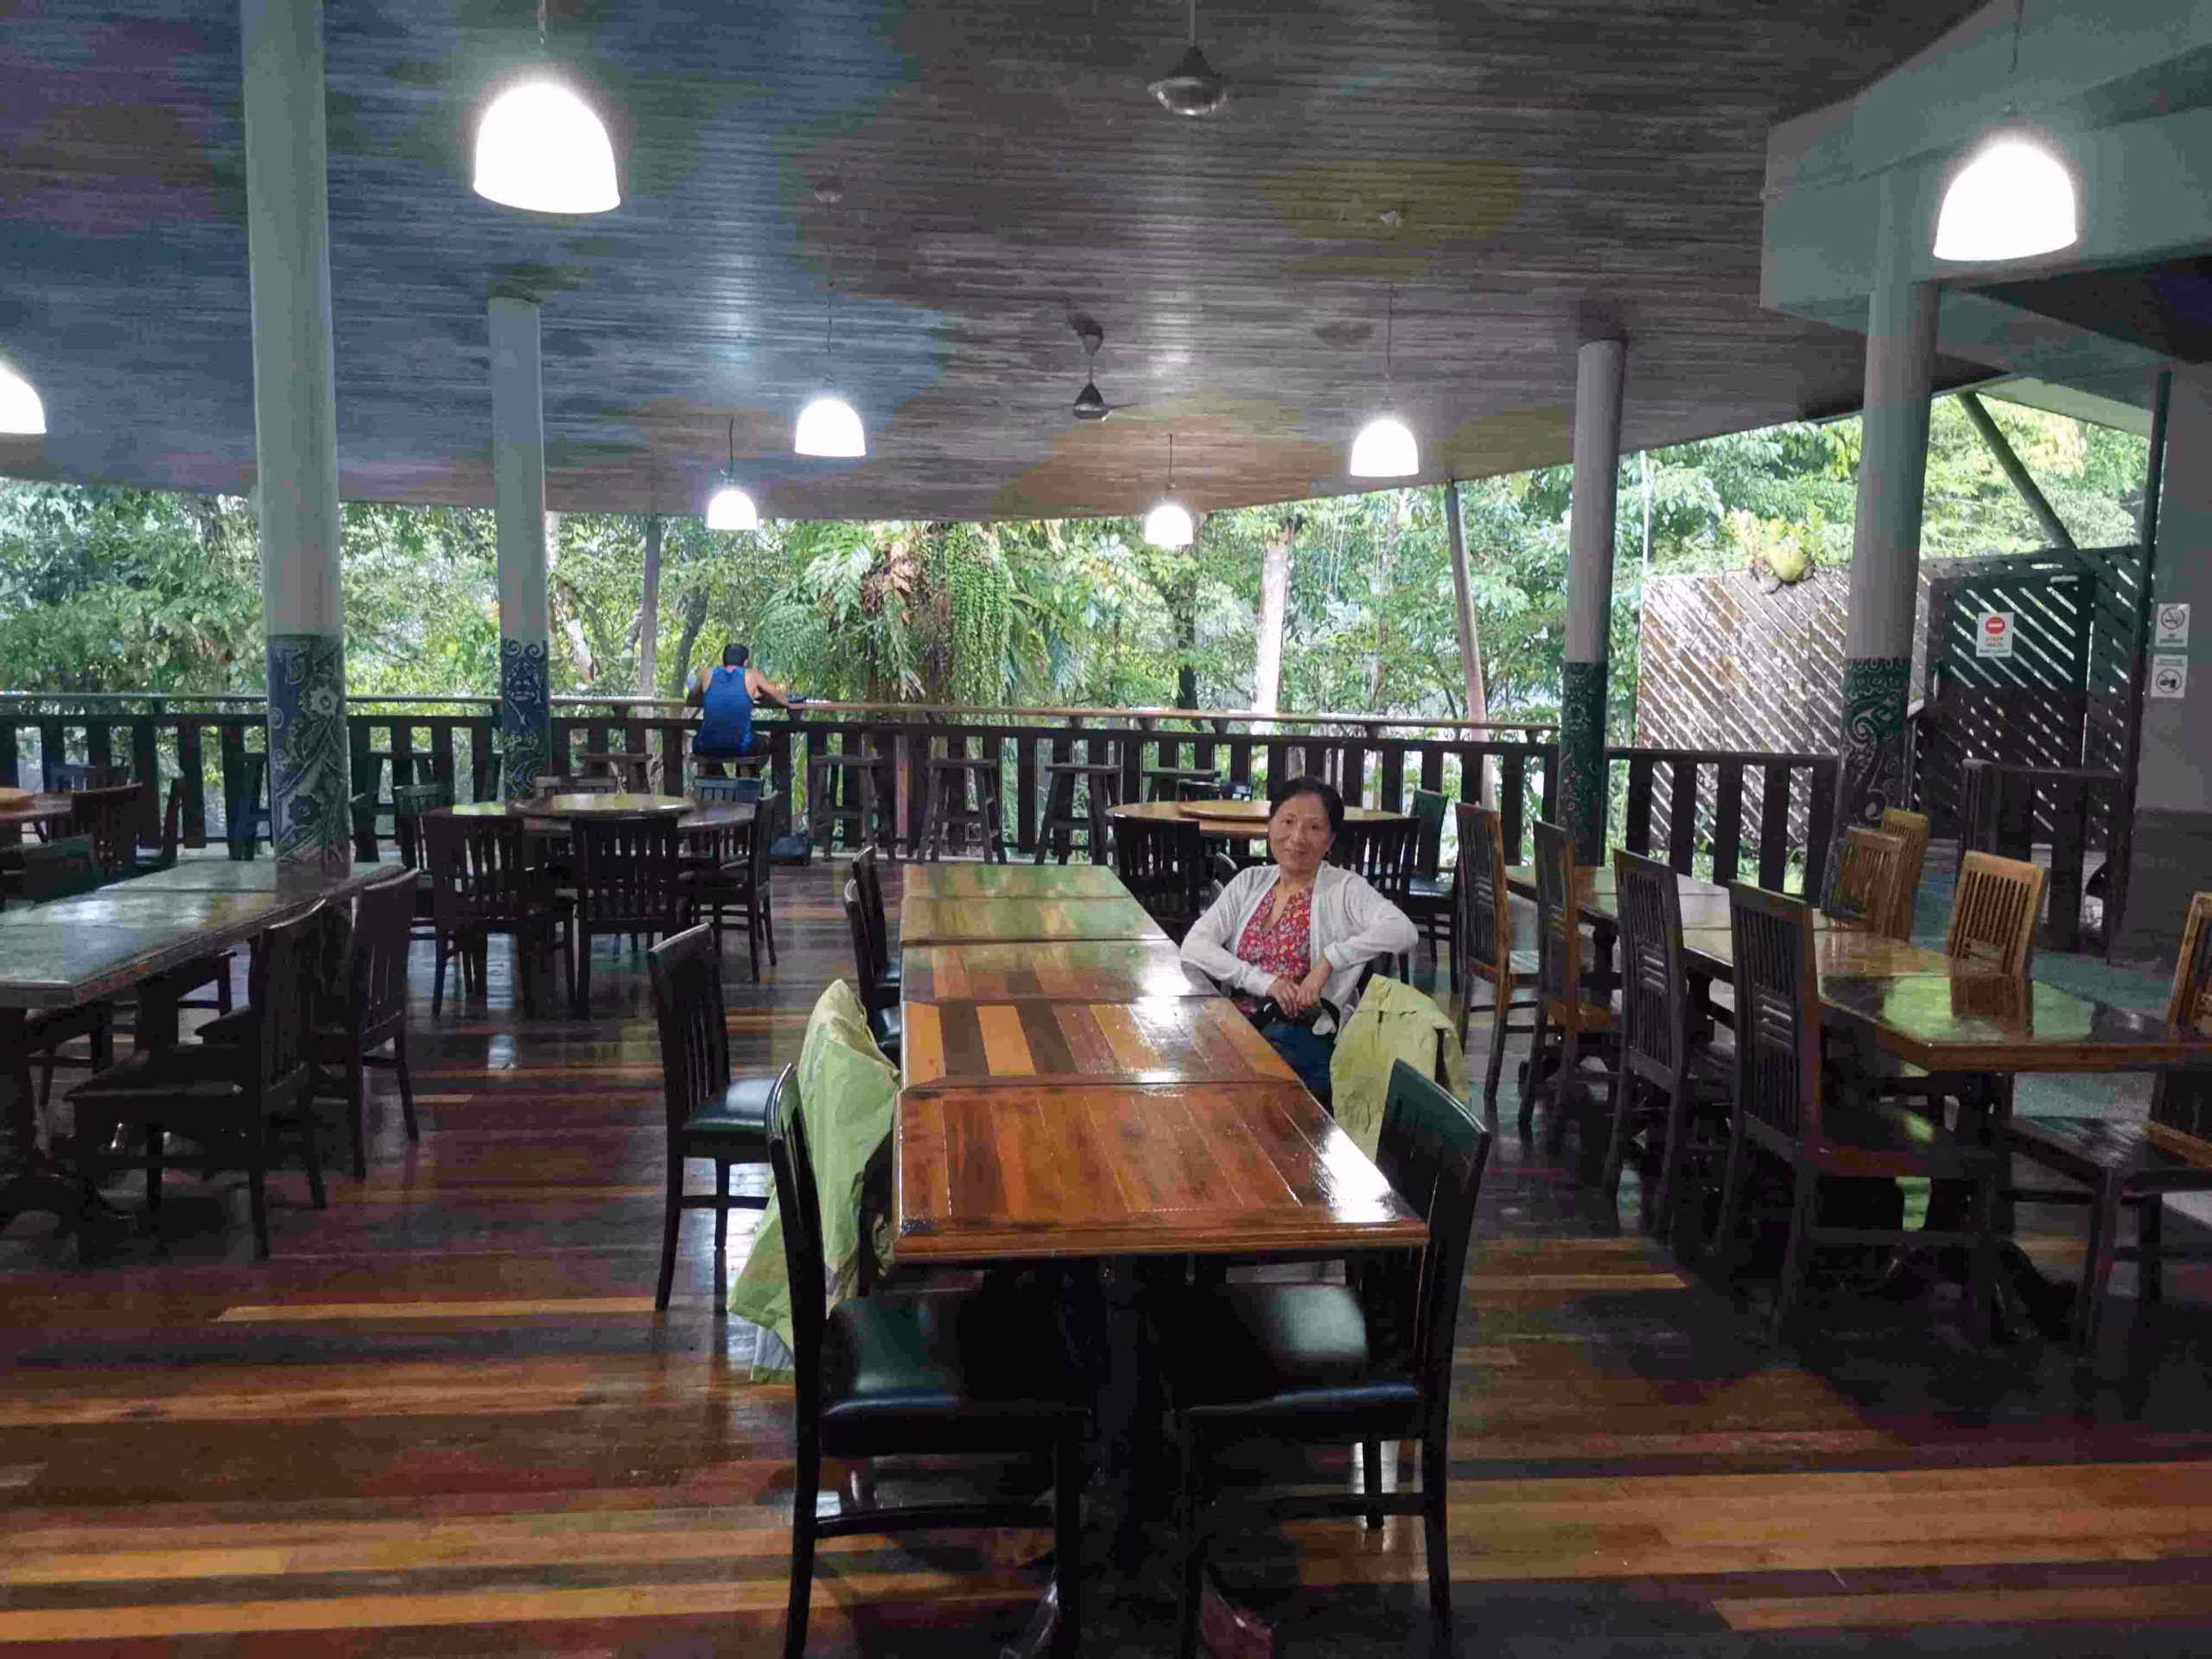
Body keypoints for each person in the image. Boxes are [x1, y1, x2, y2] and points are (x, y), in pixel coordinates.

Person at [1179, 776, 1417, 1096]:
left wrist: (1330, 960)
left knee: (1225, 1089)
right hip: (1239, 1023)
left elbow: (1404, 931)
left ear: (1330, 840)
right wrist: (1265, 983)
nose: (1297, 837)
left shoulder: (1344, 888)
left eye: (1313, 827)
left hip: (1300, 1035)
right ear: (1270, 826)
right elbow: (1195, 945)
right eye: (1288, 822)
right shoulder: (1250, 881)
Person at [687, 643, 796, 761]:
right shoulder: (751, 675)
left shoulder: (706, 673)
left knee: (702, 742)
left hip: (705, 747)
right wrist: (791, 704)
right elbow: (776, 694)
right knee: (767, 742)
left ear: (723, 661)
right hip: (741, 748)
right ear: (745, 662)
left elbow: (691, 697)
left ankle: (719, 773)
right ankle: (749, 772)